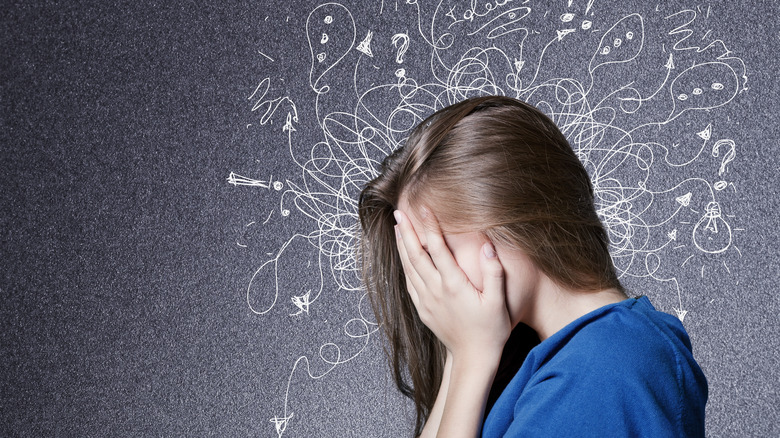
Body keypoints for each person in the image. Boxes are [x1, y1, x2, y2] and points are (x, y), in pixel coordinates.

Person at [357, 96, 707, 437]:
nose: (431, 285)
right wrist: (462, 354)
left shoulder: (601, 368)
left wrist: (471, 355)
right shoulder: (569, 361)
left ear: (507, 219)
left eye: (436, 252)